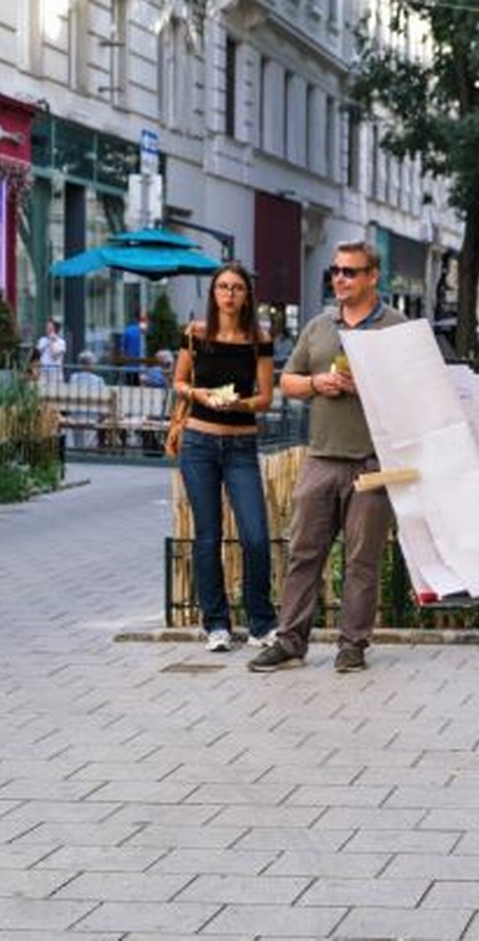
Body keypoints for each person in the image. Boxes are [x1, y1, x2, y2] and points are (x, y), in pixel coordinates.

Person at [248, 240, 405, 674]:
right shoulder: (319, 325)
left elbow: (415, 393)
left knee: (361, 561)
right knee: (303, 554)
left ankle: (352, 646)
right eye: (335, 271)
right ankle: (290, 642)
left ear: (372, 276)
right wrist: (318, 383)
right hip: (320, 459)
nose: (339, 278)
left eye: (349, 272)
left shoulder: (397, 327)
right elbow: (288, 381)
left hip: (372, 463)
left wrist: (368, 388)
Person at [173, 262, 280, 653]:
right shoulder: (196, 334)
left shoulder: (259, 339)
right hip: (199, 445)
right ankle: (216, 624)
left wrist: (241, 403)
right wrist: (198, 395)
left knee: (255, 536)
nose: (230, 294)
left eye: (237, 287)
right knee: (207, 537)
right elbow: (179, 381)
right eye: (223, 287)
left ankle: (260, 623)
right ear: (213, 293)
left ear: (247, 295)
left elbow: (266, 397)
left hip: (241, 446)